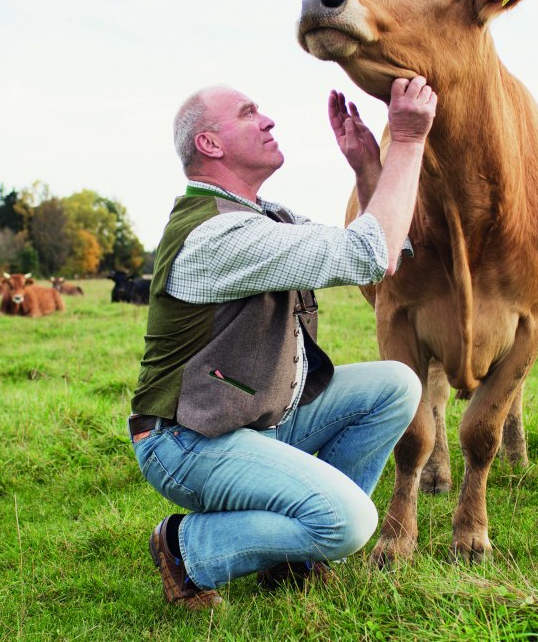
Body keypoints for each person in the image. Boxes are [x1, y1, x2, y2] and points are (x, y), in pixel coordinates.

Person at [129, 76, 438, 609]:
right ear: (210, 143)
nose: (268, 120)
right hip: (188, 442)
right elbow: (371, 254)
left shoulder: (263, 218)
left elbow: (387, 251)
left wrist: (368, 169)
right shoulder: (218, 235)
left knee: (395, 384)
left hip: (249, 421)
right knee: (351, 524)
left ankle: (295, 556)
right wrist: (407, 141)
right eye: (249, 113)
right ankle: (186, 548)